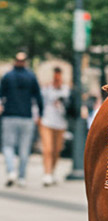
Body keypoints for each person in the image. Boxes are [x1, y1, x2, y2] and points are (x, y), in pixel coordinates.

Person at [1, 50, 43, 188]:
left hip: (10, 115)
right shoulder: (31, 76)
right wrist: (40, 114)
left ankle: (11, 171)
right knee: (24, 149)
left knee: (8, 146)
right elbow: (38, 97)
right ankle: (21, 177)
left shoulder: (8, 76)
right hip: (26, 116)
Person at [39, 65, 70, 186]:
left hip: (61, 122)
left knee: (57, 150)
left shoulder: (66, 90)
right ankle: (47, 173)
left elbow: (69, 105)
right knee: (48, 149)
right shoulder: (46, 89)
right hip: (46, 121)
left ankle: (52, 171)